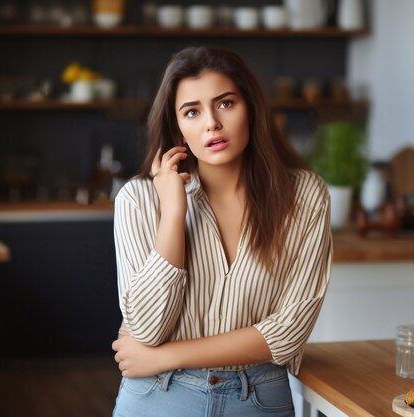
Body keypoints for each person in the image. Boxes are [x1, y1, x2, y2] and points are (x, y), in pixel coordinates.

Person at [111, 46, 332, 417]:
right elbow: (147, 329)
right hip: (159, 397)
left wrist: (164, 356)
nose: (211, 122)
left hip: (258, 398)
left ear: (251, 108)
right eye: (192, 111)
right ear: (177, 124)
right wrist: (173, 213)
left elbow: (289, 330)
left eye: (225, 103)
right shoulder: (139, 199)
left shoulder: (304, 195)